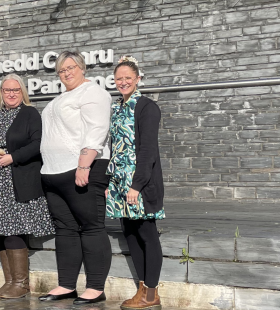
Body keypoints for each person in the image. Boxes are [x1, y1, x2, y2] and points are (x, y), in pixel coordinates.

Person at [0, 74, 55, 299]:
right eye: (7, 90)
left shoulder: (30, 113)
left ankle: (21, 284)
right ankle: (9, 281)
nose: (11, 94)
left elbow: (37, 144)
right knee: (2, 232)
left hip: (16, 180)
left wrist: (12, 157)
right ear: (1, 93)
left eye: (16, 90)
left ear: (22, 92)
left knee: (14, 229)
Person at [39, 51, 113, 305]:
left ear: (82, 68)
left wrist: (84, 164)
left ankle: (95, 287)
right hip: (53, 172)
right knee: (66, 229)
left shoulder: (93, 92)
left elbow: (97, 129)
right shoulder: (61, 97)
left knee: (91, 227)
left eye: (71, 67)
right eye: (62, 70)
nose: (67, 73)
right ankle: (67, 284)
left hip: (81, 169)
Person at [106, 56, 164, 310]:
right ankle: (142, 288)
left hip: (139, 183)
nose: (124, 82)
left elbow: (148, 151)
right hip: (119, 183)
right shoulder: (118, 107)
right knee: (129, 233)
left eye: (129, 77)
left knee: (146, 233)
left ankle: (151, 293)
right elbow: (114, 147)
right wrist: (111, 181)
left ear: (138, 79)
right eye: (119, 78)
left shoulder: (147, 107)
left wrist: (136, 185)